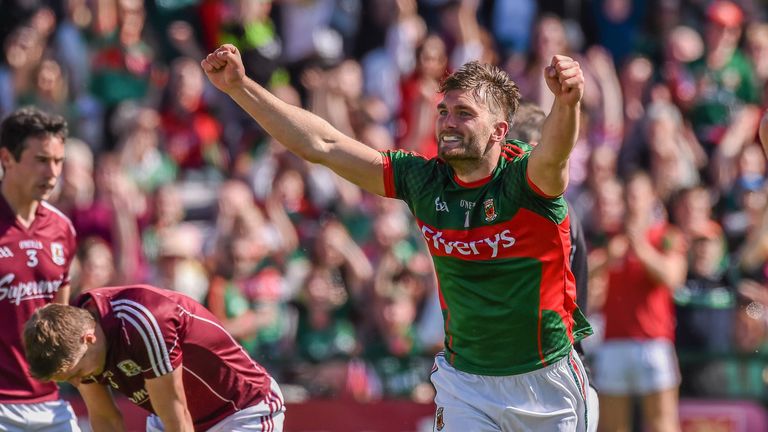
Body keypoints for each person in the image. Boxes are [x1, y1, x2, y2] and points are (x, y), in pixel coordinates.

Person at [202, 44, 593, 431]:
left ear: (499, 131)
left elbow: (556, 152)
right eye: (443, 111)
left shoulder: (527, 181)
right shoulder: (423, 180)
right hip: (467, 384)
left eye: (464, 114)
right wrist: (240, 87)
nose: (448, 122)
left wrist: (568, 100)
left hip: (546, 383)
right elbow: (324, 144)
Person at [23, 284, 286, 432]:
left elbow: (176, 415)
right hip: (170, 418)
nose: (80, 381)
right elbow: (106, 419)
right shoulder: (80, 345)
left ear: (89, 338)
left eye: (77, 374)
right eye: (71, 379)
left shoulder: (143, 320)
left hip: (242, 410)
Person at [0, 107, 80, 431]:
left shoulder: (63, 229)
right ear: (7, 158)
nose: (52, 173)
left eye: (59, 162)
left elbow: (60, 321)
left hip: (50, 404)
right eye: (42, 160)